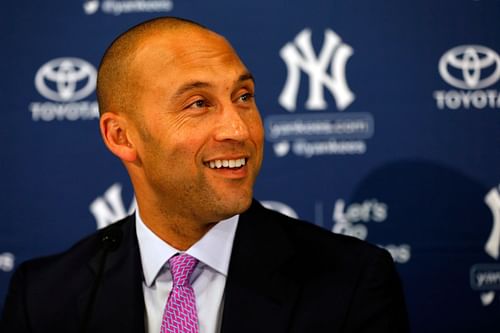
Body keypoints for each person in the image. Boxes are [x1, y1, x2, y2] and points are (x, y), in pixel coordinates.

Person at [0, 17, 409, 333]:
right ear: (121, 136)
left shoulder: (351, 280)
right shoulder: (43, 296)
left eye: (243, 97)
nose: (239, 130)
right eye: (198, 104)